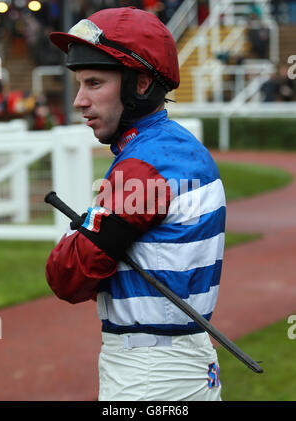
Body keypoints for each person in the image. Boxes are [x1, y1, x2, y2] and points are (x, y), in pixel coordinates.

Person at [46, 6, 226, 401]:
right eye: (80, 84)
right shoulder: (178, 147)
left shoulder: (145, 166)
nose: (79, 100)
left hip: (148, 375)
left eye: (94, 83)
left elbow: (67, 278)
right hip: (183, 362)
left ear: (140, 83)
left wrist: (80, 236)